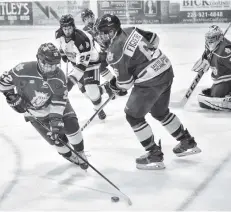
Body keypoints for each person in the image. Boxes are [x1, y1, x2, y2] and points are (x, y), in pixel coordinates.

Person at [97, 14, 201, 170]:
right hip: (165, 68)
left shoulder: (114, 51)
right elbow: (154, 38)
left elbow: (125, 84)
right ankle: (187, 142)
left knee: (133, 116)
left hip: (150, 81)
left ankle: (154, 155)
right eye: (101, 32)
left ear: (113, 31)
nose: (103, 35)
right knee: (160, 112)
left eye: (106, 32)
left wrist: (114, 87)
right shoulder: (130, 29)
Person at [0, 43, 88, 170]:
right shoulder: (22, 70)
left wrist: (56, 123)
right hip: (34, 113)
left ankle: (80, 152)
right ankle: (69, 154)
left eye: (55, 64)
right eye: (48, 64)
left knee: (71, 125)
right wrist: (11, 96)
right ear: (39, 59)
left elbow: (58, 101)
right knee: (57, 141)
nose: (52, 68)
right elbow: (3, 83)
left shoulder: (59, 76)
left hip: (55, 105)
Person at [55, 14, 113, 120]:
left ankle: (98, 108)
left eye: (69, 28)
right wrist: (63, 54)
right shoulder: (58, 34)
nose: (67, 31)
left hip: (91, 62)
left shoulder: (82, 39)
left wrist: (69, 83)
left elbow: (81, 67)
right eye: (65, 28)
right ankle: (105, 88)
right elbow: (62, 46)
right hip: (76, 63)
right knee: (86, 93)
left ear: (73, 26)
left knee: (91, 90)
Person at [81, 9, 127, 96]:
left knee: (120, 68)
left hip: (117, 49)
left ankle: (123, 84)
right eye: (87, 18)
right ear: (84, 20)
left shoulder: (101, 22)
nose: (90, 19)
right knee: (100, 66)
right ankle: (113, 83)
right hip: (106, 51)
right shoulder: (85, 31)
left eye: (91, 16)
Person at [193, 25, 231, 111]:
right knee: (212, 94)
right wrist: (206, 58)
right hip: (219, 79)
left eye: (213, 37)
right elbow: (208, 53)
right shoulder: (208, 45)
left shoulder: (226, 51)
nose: (210, 40)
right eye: (208, 37)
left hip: (227, 79)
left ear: (219, 37)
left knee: (215, 95)